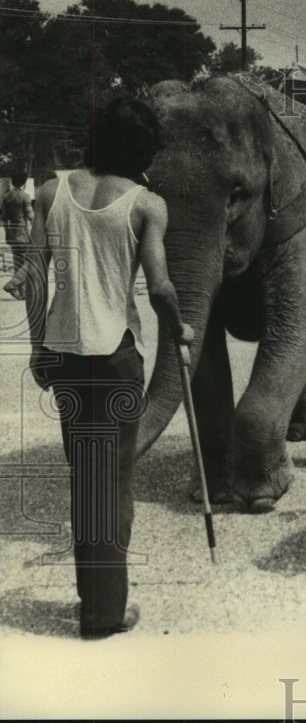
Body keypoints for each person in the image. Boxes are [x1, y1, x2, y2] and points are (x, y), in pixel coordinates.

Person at [23, 97, 193, 639]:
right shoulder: (147, 204)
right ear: (143, 146)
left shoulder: (52, 191)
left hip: (67, 357)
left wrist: (36, 346)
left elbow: (30, 277)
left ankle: (92, 600)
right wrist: (180, 328)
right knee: (114, 480)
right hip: (118, 357)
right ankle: (105, 612)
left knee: (85, 480)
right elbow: (161, 286)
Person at [2, 172, 34, 298]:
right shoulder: (24, 196)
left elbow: (3, 217)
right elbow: (31, 216)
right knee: (32, 261)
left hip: (11, 233)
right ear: (24, 182)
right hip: (22, 233)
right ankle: (13, 284)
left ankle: (22, 292)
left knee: (18, 262)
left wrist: (8, 232)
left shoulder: (6, 197)